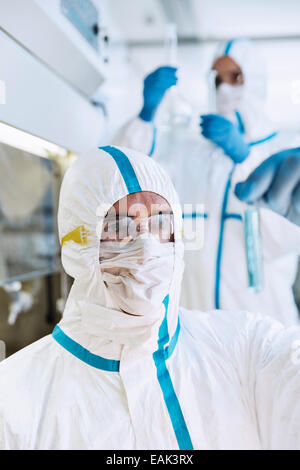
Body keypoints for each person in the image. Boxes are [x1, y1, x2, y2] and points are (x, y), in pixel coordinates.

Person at [1, 145, 300, 450]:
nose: (147, 248)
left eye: (161, 223)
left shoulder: (244, 348)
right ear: (79, 244)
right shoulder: (13, 399)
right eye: (119, 227)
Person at [115, 38, 300, 326]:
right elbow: (131, 181)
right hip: (198, 329)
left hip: (264, 326)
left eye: (235, 77)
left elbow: (284, 240)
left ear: (256, 81)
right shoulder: (192, 154)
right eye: (217, 79)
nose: (224, 87)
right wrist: (146, 116)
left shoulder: (283, 151)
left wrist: (246, 159)